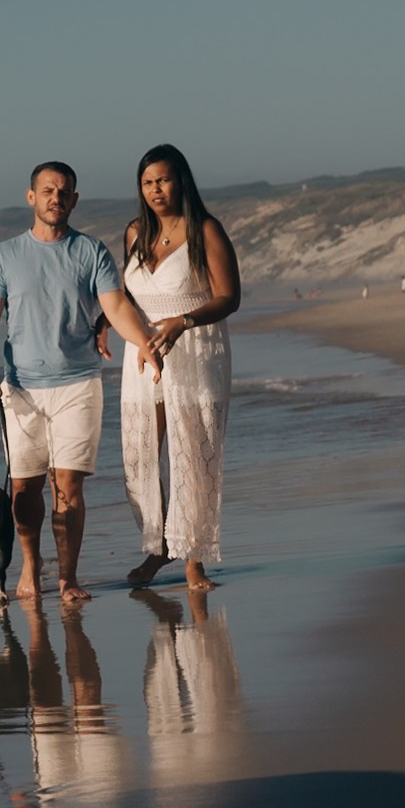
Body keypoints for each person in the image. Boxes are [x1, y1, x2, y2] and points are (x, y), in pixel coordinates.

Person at [0, 161, 160, 605]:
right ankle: (32, 565)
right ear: (31, 197)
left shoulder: (90, 252)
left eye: (65, 192)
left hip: (78, 383)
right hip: (20, 389)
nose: (56, 198)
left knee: (68, 485)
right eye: (48, 190)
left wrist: (145, 343)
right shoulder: (5, 255)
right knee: (24, 488)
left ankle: (68, 577)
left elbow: (115, 307)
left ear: (74, 200)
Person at [115, 144, 240, 591]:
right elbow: (127, 296)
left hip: (195, 348)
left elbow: (229, 297)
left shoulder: (206, 230)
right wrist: (101, 323)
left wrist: (184, 322)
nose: (155, 190)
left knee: (192, 454)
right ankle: (159, 546)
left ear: (180, 180)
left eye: (163, 180)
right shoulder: (133, 233)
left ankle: (194, 557)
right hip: (144, 352)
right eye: (147, 182)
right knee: (142, 454)